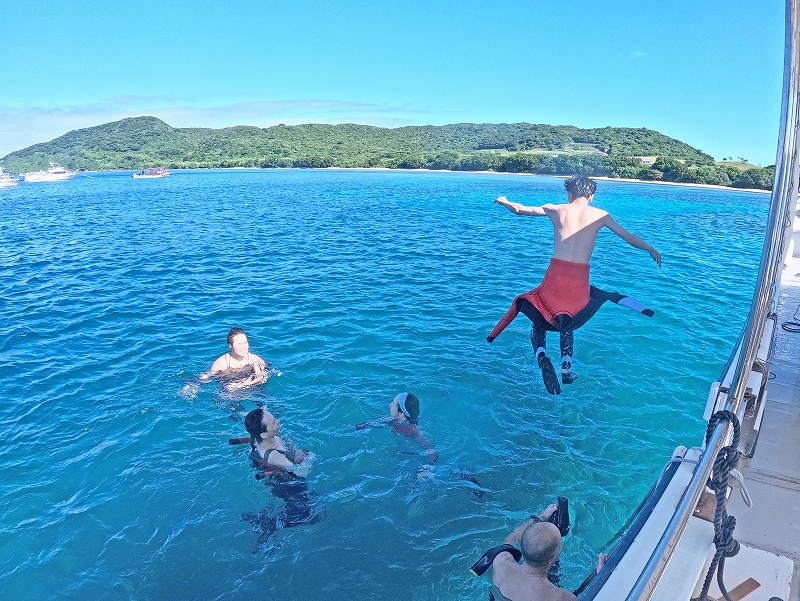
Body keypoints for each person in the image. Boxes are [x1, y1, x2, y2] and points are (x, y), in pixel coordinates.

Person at [489, 176, 661, 395]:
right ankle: (566, 367)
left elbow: (520, 210)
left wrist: (503, 200)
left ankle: (542, 358)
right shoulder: (601, 215)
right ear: (591, 195)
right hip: (579, 281)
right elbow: (629, 238)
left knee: (540, 316)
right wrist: (650, 249)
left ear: (569, 194)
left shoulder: (555, 209)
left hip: (554, 278)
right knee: (568, 319)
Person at [242, 408, 317, 545]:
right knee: (308, 517)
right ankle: (271, 525)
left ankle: (270, 522)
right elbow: (300, 472)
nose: (278, 422)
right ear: (263, 434)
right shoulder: (273, 455)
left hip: (278, 474)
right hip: (286, 485)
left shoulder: (264, 439)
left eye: (274, 419)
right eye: (273, 423)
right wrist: (310, 458)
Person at [355, 393, 438, 478]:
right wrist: (357, 427)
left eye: (393, 404)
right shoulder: (393, 420)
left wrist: (428, 467)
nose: (390, 405)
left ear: (401, 413)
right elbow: (373, 422)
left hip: (410, 455)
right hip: (398, 450)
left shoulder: (413, 431)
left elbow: (433, 452)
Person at [201, 327, 270, 391]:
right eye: (239, 344)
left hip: (249, 385)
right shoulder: (221, 363)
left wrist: (244, 384)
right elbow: (205, 378)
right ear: (230, 346)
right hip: (229, 386)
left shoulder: (254, 359)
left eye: (245, 343)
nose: (244, 347)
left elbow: (263, 378)